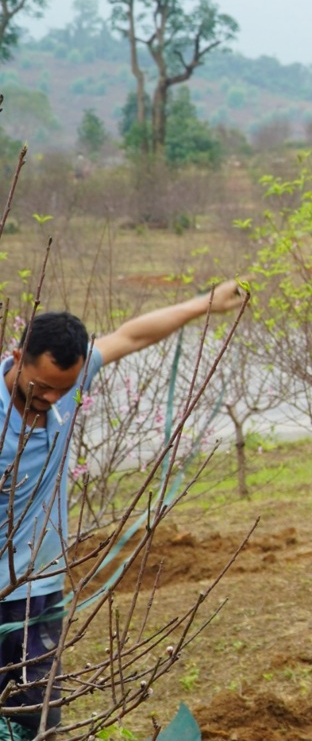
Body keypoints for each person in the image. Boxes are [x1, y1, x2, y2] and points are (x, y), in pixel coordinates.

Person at [0, 281, 245, 740]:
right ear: (17, 357)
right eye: (43, 386)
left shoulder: (68, 381)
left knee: (38, 718)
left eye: (64, 389)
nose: (53, 399)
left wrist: (202, 304)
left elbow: (132, 336)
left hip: (39, 588)